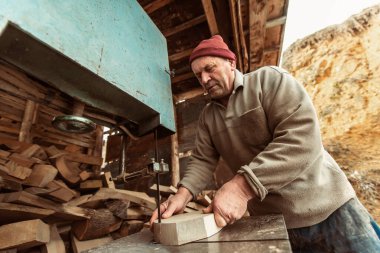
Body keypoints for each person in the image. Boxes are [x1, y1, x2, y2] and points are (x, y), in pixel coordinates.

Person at [150, 35, 380, 252]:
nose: (205, 79)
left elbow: (300, 139)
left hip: (329, 209)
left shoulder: (269, 81)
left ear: (231, 62)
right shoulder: (208, 117)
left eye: (209, 69)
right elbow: (202, 160)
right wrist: (181, 195)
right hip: (274, 224)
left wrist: (241, 188)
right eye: (198, 75)